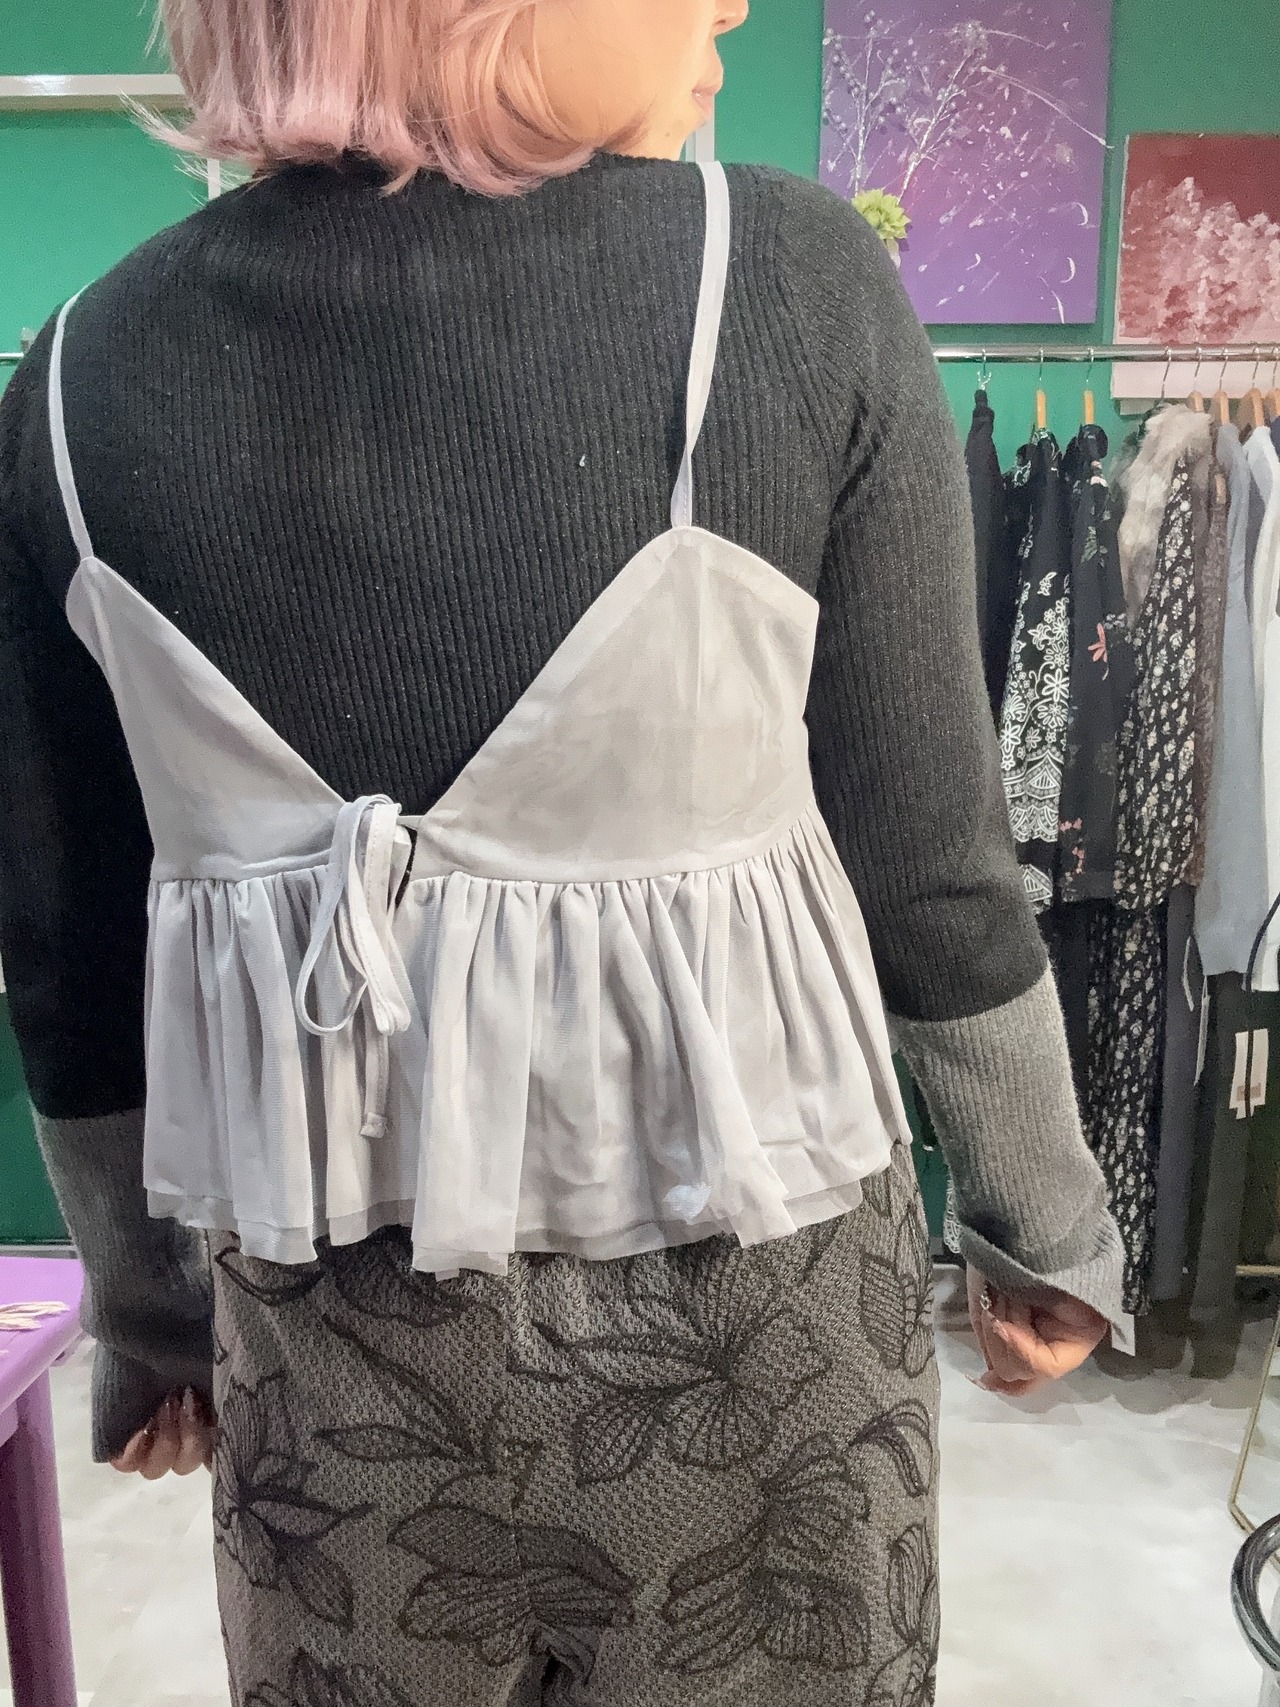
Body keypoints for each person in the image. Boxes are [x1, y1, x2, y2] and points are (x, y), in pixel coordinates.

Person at [0, 1, 1127, 1700]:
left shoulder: (74, 380)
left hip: (336, 1377)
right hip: (761, 1347)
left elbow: (70, 953)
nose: (730, 6)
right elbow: (933, 865)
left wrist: (151, 1321)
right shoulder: (787, 281)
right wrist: (1044, 1220)